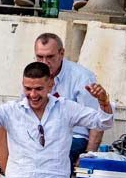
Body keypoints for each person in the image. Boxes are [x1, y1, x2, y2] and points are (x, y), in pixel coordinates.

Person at [33, 34, 105, 166]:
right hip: (40, 136)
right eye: (39, 57)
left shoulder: (82, 77)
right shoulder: (32, 76)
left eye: (49, 57)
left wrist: (88, 154)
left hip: (74, 138)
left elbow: (97, 121)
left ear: (61, 53)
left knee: (53, 151)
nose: (44, 62)